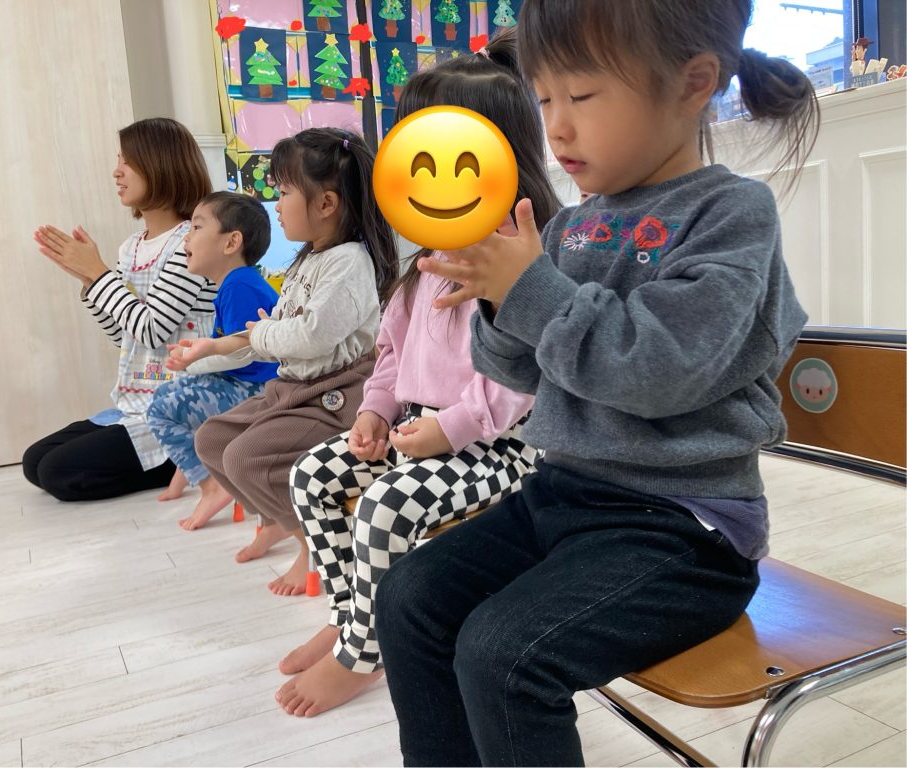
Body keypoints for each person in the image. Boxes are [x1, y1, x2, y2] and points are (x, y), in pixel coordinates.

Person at [374, 1, 819, 764]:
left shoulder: (730, 213)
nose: (557, 127)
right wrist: (496, 298)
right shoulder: (570, 226)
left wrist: (531, 290)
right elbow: (515, 371)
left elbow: (660, 372)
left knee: (503, 654)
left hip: (686, 531)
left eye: (581, 96)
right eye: (544, 99)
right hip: (566, 498)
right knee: (409, 596)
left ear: (693, 83)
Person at [275, 28, 559, 718]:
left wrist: (450, 429)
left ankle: (364, 654)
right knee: (312, 476)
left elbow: (521, 376)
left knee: (382, 506)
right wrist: (375, 410)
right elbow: (392, 354)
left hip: (499, 451)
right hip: (417, 432)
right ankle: (353, 617)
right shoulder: (426, 258)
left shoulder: (523, 257)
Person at [169, 128, 400, 596]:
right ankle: (283, 521)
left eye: (284, 192)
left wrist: (263, 335)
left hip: (335, 396)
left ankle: (312, 546)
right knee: (211, 440)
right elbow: (271, 330)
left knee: (246, 458)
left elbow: (309, 335)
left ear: (326, 204)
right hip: (292, 389)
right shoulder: (306, 261)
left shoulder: (349, 262)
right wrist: (212, 347)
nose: (275, 205)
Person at [26, 117, 216, 501]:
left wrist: (99, 275)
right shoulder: (131, 247)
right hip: (137, 399)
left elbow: (152, 330)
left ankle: (188, 456)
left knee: (57, 472)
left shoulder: (192, 243)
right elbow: (125, 337)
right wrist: (89, 283)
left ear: (162, 165)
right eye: (118, 161)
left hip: (178, 407)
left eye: (127, 161)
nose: (117, 172)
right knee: (36, 461)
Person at [146, 191, 280, 529]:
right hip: (247, 383)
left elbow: (239, 353)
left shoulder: (239, 286)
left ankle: (212, 485)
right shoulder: (236, 283)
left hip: (257, 389)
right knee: (172, 393)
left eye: (196, 227)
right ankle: (188, 472)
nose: (186, 238)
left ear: (231, 242)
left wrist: (194, 361)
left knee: (162, 407)